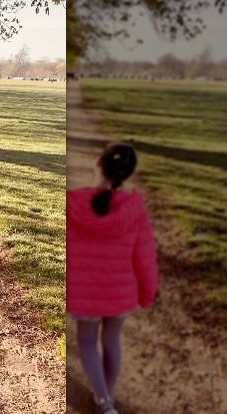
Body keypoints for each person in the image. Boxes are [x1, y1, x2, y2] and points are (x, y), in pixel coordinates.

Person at [66, 142, 158, 414]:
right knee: (111, 341)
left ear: (98, 163)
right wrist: (147, 291)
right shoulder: (134, 207)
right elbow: (145, 256)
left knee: (86, 342)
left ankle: (103, 399)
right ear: (126, 174)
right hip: (120, 292)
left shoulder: (73, 204)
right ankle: (107, 396)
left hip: (86, 295)